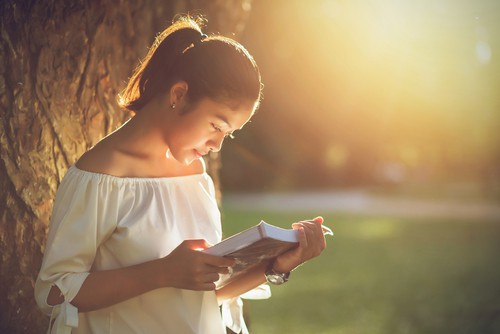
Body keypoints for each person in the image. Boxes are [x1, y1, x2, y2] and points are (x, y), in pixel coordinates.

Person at [35, 15, 328, 334]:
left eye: (228, 134)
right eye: (217, 126)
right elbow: (53, 292)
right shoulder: (100, 177)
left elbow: (206, 295)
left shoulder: (195, 173)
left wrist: (277, 266)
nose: (217, 145)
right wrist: (160, 273)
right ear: (178, 94)